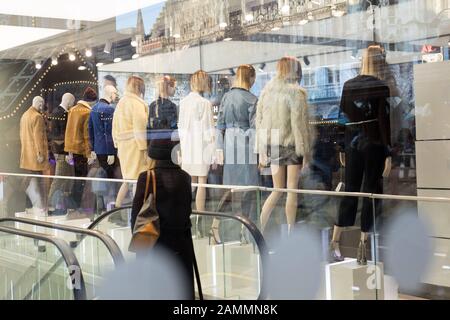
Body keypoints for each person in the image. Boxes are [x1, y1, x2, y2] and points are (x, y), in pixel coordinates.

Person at [330, 45, 392, 265]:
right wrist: (388, 151)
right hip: (373, 143)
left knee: (351, 189)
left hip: (352, 142)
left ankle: (335, 239)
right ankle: (363, 242)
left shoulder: (349, 85)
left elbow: (342, 118)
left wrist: (341, 147)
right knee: (371, 190)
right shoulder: (381, 86)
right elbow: (384, 121)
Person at [130, 131, 195, 299]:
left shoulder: (146, 178)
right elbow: (187, 212)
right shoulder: (185, 178)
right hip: (182, 249)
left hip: (155, 250)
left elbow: (136, 217)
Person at [256, 57, 315, 235]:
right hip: (291, 144)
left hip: (273, 144)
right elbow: (299, 125)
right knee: (291, 190)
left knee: (277, 189)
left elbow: (259, 122)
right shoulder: (296, 93)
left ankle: (258, 227)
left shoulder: (266, 92)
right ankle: (290, 232)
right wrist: (304, 151)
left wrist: (262, 151)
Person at [213, 65, 259, 244]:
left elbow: (219, 126)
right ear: (251, 78)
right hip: (245, 145)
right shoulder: (252, 99)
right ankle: (244, 229)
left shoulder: (226, 96)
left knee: (230, 189)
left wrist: (219, 148)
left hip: (229, 144)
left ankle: (215, 225)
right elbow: (254, 129)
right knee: (248, 188)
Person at [178, 70, 216, 216]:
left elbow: (180, 128)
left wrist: (181, 149)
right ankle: (201, 216)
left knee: (190, 182)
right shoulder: (205, 103)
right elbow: (209, 130)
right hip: (201, 146)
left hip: (187, 146)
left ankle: (185, 213)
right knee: (201, 181)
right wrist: (213, 152)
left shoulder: (183, 102)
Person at [112, 76, 149, 207]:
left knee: (127, 180)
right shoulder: (137, 104)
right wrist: (144, 148)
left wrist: (117, 144)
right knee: (138, 179)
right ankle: (137, 210)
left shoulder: (121, 103)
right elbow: (140, 128)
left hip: (123, 147)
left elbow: (114, 127)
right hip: (135, 147)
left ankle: (116, 207)